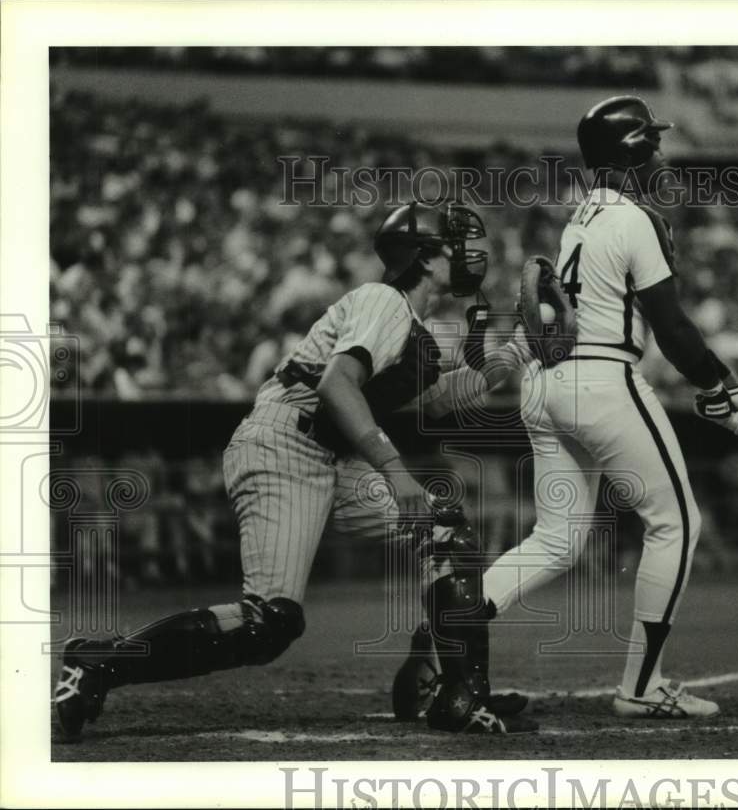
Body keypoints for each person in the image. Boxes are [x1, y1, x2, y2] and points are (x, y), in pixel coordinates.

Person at [53, 201, 536, 741]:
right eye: (453, 242)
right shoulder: (385, 302)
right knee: (269, 624)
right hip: (288, 443)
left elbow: (445, 399)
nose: (467, 252)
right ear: (423, 257)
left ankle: (458, 693)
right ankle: (100, 660)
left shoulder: (410, 324)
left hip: (329, 454)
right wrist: (396, 470)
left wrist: (520, 349)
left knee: (444, 528)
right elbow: (336, 385)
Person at [394, 96, 738, 721]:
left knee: (560, 538)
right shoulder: (636, 219)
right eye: (652, 145)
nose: (661, 156)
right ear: (633, 151)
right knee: (677, 524)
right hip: (599, 380)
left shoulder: (580, 217)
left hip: (544, 383)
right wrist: (721, 384)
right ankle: (642, 688)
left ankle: (451, 627)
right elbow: (669, 326)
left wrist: (713, 388)